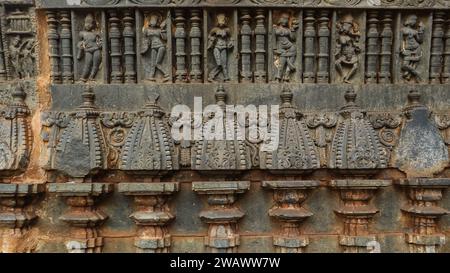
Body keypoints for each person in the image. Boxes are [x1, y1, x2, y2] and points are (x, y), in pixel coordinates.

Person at [141, 13, 170, 82]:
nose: (153, 21)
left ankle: (167, 74)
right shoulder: (147, 30)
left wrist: (163, 30)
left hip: (161, 47)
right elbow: (145, 40)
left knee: (157, 63)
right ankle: (151, 76)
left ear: (157, 22)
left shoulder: (159, 30)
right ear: (150, 21)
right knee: (153, 63)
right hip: (153, 47)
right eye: (152, 20)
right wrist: (144, 48)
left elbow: (165, 38)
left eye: (155, 20)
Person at [207, 13, 233, 82]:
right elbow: (209, 36)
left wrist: (230, 42)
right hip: (216, 47)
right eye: (220, 21)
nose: (221, 23)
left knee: (224, 65)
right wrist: (212, 39)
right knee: (219, 64)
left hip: (224, 47)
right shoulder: (214, 29)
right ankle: (211, 76)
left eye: (223, 21)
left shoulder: (227, 30)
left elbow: (231, 37)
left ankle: (226, 78)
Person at [77, 13, 102, 82]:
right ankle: (83, 78)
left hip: (96, 50)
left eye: (90, 23)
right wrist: (80, 46)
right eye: (86, 23)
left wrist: (100, 43)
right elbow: (79, 43)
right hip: (88, 51)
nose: (88, 25)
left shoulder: (96, 33)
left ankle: (92, 77)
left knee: (95, 64)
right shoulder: (82, 33)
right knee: (87, 64)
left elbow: (101, 41)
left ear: (93, 24)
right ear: (84, 23)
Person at [274, 13, 298, 82]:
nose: (286, 21)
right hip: (280, 47)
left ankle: (287, 76)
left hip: (291, 47)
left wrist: (293, 29)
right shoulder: (275, 28)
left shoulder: (288, 29)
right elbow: (272, 39)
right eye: (284, 18)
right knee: (282, 62)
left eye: (287, 19)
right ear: (280, 19)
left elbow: (293, 38)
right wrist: (274, 49)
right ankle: (278, 77)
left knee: (290, 61)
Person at [401, 14, 424, 82]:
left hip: (417, 48)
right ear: (409, 20)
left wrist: (421, 30)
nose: (415, 22)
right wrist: (402, 49)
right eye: (414, 20)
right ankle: (417, 74)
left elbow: (420, 41)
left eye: (416, 20)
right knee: (404, 66)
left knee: (413, 64)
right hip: (407, 50)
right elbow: (401, 40)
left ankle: (408, 76)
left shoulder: (415, 31)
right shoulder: (403, 30)